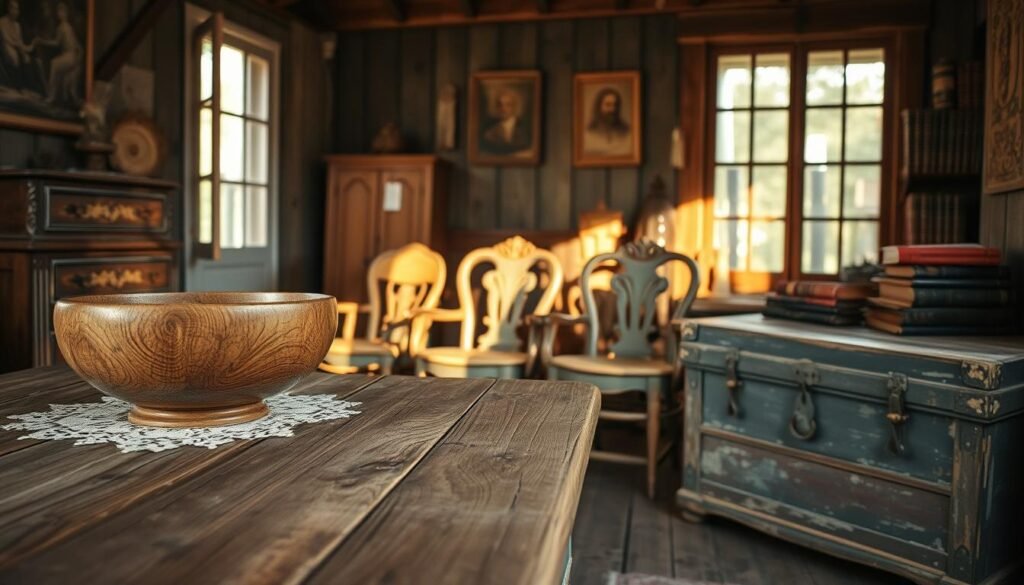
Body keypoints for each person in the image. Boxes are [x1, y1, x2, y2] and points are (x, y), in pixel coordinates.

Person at [34, 1, 82, 106]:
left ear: (66, 13)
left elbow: (56, 43)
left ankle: (52, 97)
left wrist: (42, 41)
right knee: (58, 68)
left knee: (54, 64)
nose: (59, 14)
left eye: (62, 11)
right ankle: (58, 97)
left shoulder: (63, 27)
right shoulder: (68, 27)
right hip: (70, 56)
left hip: (70, 56)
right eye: (58, 11)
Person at [0, 0, 44, 95]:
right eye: (14, 8)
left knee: (27, 58)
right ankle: (17, 86)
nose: (16, 11)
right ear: (9, 9)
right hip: (6, 47)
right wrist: (20, 48)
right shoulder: (2, 21)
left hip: (16, 47)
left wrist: (30, 45)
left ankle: (28, 87)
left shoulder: (17, 25)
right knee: (14, 56)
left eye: (17, 8)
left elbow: (19, 41)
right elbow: (6, 39)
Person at [481, 87, 532, 157]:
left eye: (508, 105)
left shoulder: (524, 127)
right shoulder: (490, 129)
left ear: (514, 107)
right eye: (500, 105)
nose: (503, 109)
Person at [584, 88, 632, 156]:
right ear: (598, 107)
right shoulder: (587, 134)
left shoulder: (628, 132)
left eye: (615, 105)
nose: (613, 109)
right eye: (608, 105)